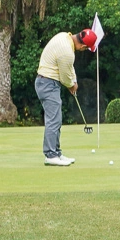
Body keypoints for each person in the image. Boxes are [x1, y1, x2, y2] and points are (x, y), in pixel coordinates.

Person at [36, 29, 97, 166]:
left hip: (47, 82)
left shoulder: (64, 37)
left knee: (56, 119)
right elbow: (65, 77)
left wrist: (73, 81)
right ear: (83, 46)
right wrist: (71, 85)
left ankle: (56, 153)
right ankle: (50, 155)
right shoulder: (67, 52)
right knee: (53, 120)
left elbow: (69, 68)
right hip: (48, 83)